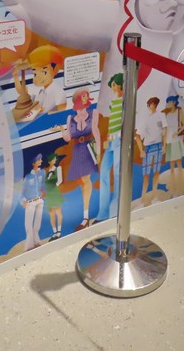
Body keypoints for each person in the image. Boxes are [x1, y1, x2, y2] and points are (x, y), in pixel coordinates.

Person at [60, 88, 101, 230]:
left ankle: (85, 216)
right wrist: (61, 130)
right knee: (82, 181)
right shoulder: (70, 118)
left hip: (89, 148)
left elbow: (96, 133)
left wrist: (98, 152)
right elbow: (68, 138)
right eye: (83, 96)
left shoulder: (93, 113)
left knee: (86, 179)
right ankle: (85, 215)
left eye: (86, 96)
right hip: (78, 150)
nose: (86, 98)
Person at [95, 73, 122, 222]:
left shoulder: (125, 102)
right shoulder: (114, 103)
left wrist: (117, 136)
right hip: (112, 140)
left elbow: (128, 122)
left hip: (120, 139)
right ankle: (103, 213)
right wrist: (109, 137)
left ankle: (115, 210)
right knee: (104, 172)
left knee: (117, 173)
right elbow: (113, 123)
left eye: (114, 85)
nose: (112, 88)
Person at [13, 45, 67, 116]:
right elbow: (21, 91)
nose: (38, 77)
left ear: (55, 69)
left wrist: (44, 112)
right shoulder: (38, 90)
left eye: (44, 72)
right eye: (35, 73)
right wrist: (15, 75)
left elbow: (62, 108)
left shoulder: (58, 92)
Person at [135, 97, 167, 206]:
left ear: (154, 104)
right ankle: (143, 199)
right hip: (148, 148)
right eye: (148, 104)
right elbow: (137, 136)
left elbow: (165, 131)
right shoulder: (145, 119)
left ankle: (154, 197)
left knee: (156, 172)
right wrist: (141, 150)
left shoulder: (161, 115)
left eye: (150, 104)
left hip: (158, 146)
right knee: (146, 175)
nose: (149, 106)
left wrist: (164, 146)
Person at [162, 95, 184, 197]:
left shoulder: (179, 112)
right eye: (167, 102)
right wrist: (164, 145)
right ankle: (173, 188)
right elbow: (165, 131)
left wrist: (177, 132)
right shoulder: (167, 115)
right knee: (172, 167)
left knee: (179, 165)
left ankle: (181, 187)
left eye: (169, 102)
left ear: (174, 102)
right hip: (169, 142)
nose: (168, 104)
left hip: (176, 140)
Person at [21, 153, 46, 250]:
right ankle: (29, 246)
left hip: (39, 200)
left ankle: (37, 242)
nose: (41, 161)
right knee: (28, 224)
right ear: (33, 163)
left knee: (37, 224)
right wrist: (23, 201)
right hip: (30, 202)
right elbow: (22, 191)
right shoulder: (27, 177)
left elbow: (43, 185)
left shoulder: (42, 173)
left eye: (41, 159)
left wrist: (44, 192)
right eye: (39, 159)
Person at [44, 152, 65, 241]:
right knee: (51, 213)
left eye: (55, 159)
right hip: (49, 194)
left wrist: (53, 187)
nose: (55, 160)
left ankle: (59, 232)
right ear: (49, 161)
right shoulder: (46, 171)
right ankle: (54, 232)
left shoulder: (58, 168)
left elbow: (59, 180)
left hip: (55, 192)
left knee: (58, 212)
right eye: (53, 159)